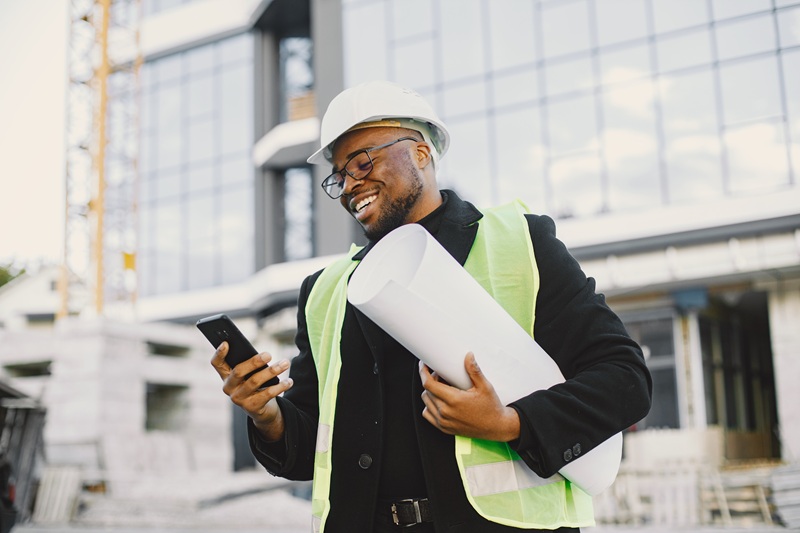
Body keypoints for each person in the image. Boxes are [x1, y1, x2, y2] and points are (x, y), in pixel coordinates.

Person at [212, 80, 652, 532]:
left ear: (421, 153)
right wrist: (266, 413)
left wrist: (509, 422)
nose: (349, 184)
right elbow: (307, 452)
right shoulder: (326, 291)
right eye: (338, 175)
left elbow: (624, 379)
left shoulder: (519, 243)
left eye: (363, 161)